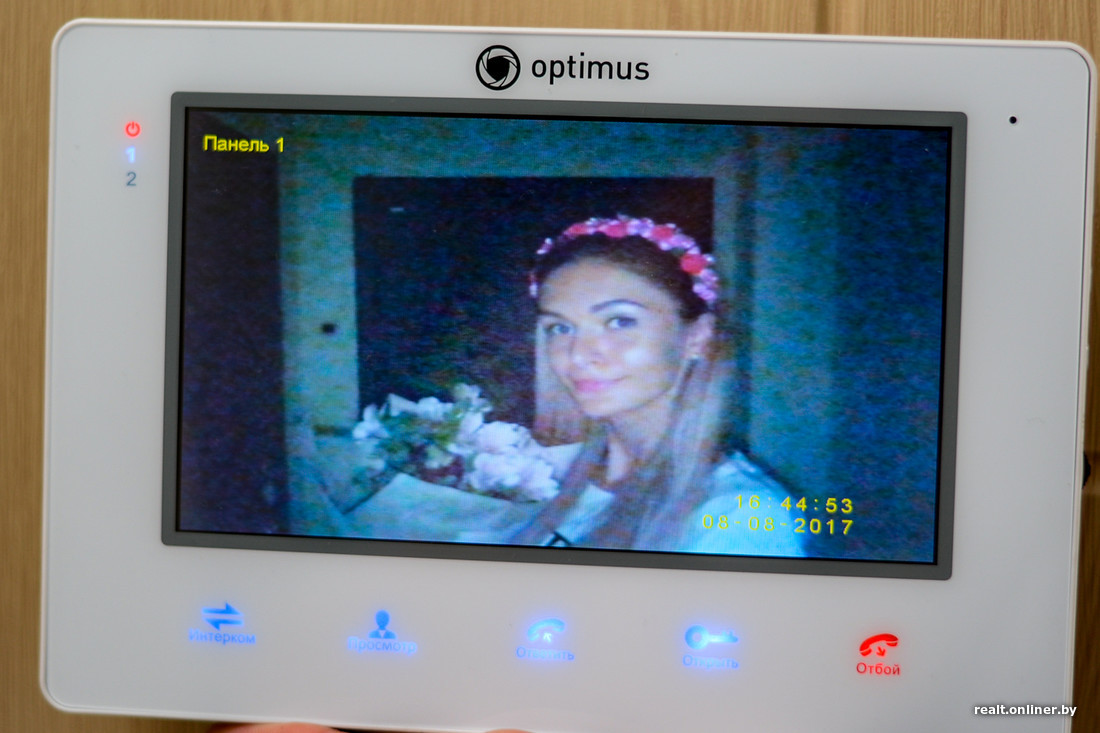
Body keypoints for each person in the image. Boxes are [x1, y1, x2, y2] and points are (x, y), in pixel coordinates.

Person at [512, 215, 803, 557]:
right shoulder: (563, 477)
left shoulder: (742, 516)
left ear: (697, 336)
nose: (578, 355)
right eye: (560, 328)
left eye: (619, 322)